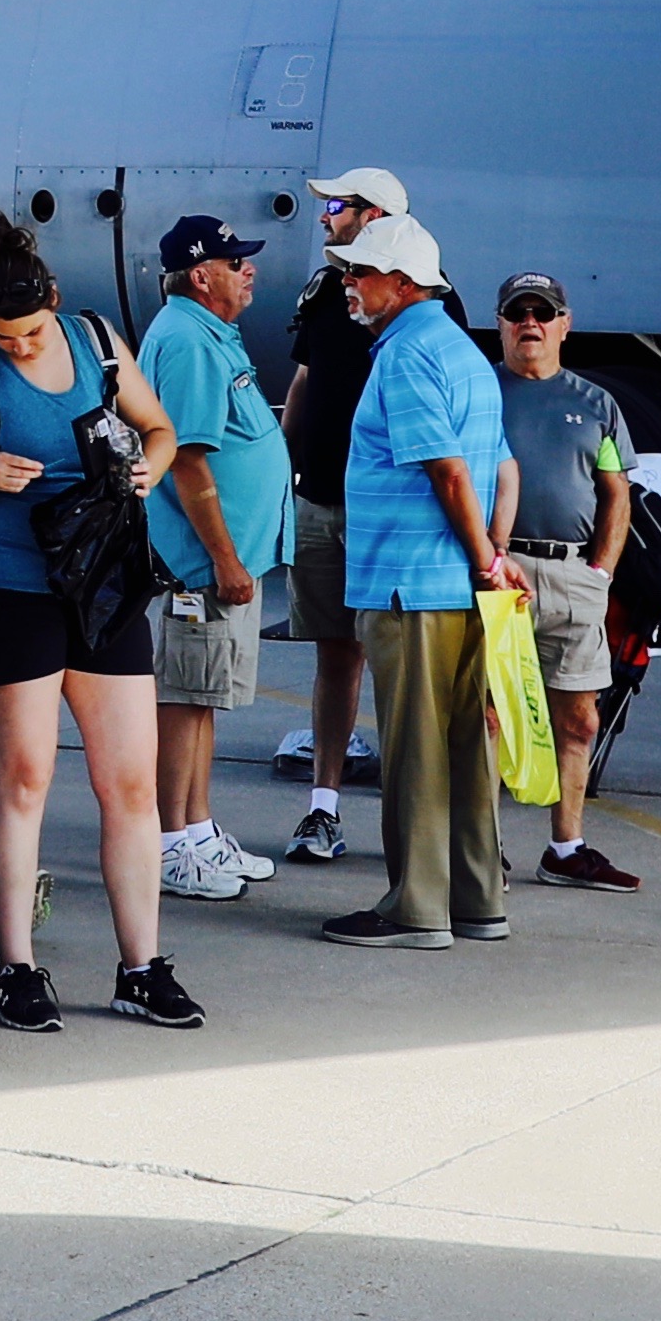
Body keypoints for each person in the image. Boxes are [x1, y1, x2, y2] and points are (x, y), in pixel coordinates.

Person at [0, 211, 193, 1030]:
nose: (17, 346)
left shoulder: (94, 340)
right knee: (23, 780)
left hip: (100, 580)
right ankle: (17, 965)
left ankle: (141, 964)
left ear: (52, 303)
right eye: (3, 334)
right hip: (8, 583)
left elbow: (160, 429)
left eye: (27, 332)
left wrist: (145, 471)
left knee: (129, 782)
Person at [318, 211, 518, 946]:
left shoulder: (403, 355)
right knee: (467, 744)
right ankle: (474, 899)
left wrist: (479, 553)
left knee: (413, 749)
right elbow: (501, 465)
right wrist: (493, 554)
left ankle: (415, 907)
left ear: (401, 284)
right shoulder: (463, 351)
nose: (348, 284)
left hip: (410, 581)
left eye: (359, 273)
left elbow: (446, 468)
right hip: (458, 584)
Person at [127, 215, 293, 906]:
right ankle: (171, 843)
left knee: (203, 700)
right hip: (201, 567)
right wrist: (223, 557)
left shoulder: (208, 334)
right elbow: (186, 459)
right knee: (183, 700)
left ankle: (194, 828)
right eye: (234, 260)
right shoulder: (190, 342)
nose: (247, 268)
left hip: (223, 565)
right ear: (201, 276)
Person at [264, 163, 409, 863]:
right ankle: (322, 808)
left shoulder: (415, 293)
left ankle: (413, 813)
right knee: (332, 651)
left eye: (338, 207)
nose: (324, 217)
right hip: (318, 498)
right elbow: (303, 379)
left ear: (374, 215)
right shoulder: (326, 289)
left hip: (386, 513)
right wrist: (277, 475)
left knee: (398, 657)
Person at [486, 276, 645, 893]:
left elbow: (616, 494)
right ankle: (483, 848)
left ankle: (566, 847)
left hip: (575, 578)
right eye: (517, 313)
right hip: (501, 573)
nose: (531, 323)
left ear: (564, 323)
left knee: (579, 719)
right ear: (500, 322)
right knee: (491, 716)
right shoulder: (480, 393)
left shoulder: (598, 403)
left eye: (542, 313)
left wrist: (601, 572)